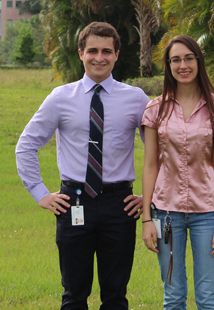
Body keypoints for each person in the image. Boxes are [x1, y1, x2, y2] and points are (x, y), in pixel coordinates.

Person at [16, 21, 150, 310]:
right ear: (80, 53)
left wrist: (150, 198)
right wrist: (41, 193)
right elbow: (26, 145)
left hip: (120, 205)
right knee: (74, 295)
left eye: (106, 51)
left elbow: (161, 151)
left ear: (116, 54)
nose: (98, 57)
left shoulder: (136, 99)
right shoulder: (61, 98)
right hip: (74, 203)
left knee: (115, 296)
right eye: (92, 50)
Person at [140, 35, 214, 310]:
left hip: (208, 214)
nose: (183, 65)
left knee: (207, 296)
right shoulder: (155, 110)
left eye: (189, 58)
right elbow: (150, 166)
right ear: (168, 66)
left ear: (199, 61)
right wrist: (147, 219)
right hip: (166, 216)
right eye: (176, 60)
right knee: (173, 294)